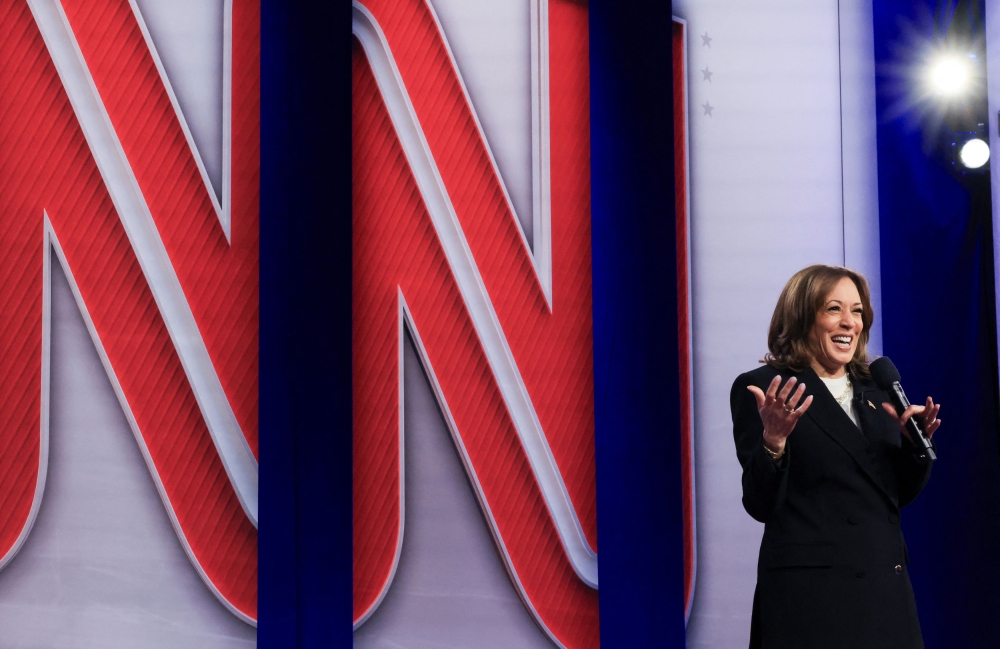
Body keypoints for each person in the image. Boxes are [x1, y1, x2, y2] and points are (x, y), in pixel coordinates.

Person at [731, 264, 940, 649]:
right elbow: (760, 503)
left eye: (857, 311)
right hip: (813, 602)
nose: (850, 322)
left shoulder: (876, 388)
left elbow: (887, 498)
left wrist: (915, 450)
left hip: (885, 594)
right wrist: (773, 441)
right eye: (834, 309)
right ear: (802, 316)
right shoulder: (766, 388)